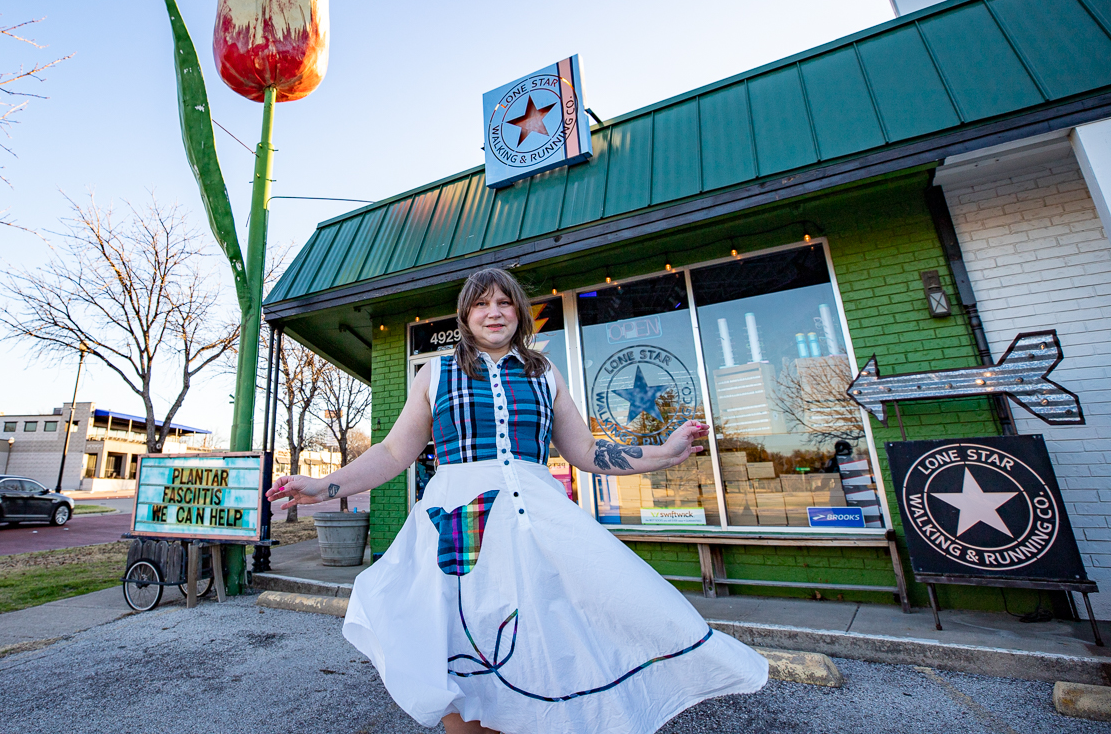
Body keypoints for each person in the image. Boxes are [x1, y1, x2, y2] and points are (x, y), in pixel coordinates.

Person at [268, 268, 768, 734]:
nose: (494, 312)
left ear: (520, 314)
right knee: (461, 650)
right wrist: (324, 485)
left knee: (545, 643)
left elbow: (588, 451)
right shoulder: (435, 374)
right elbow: (394, 451)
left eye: (505, 303)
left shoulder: (545, 373)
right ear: (465, 316)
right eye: (481, 304)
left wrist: (664, 452)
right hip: (460, 526)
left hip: (537, 525)